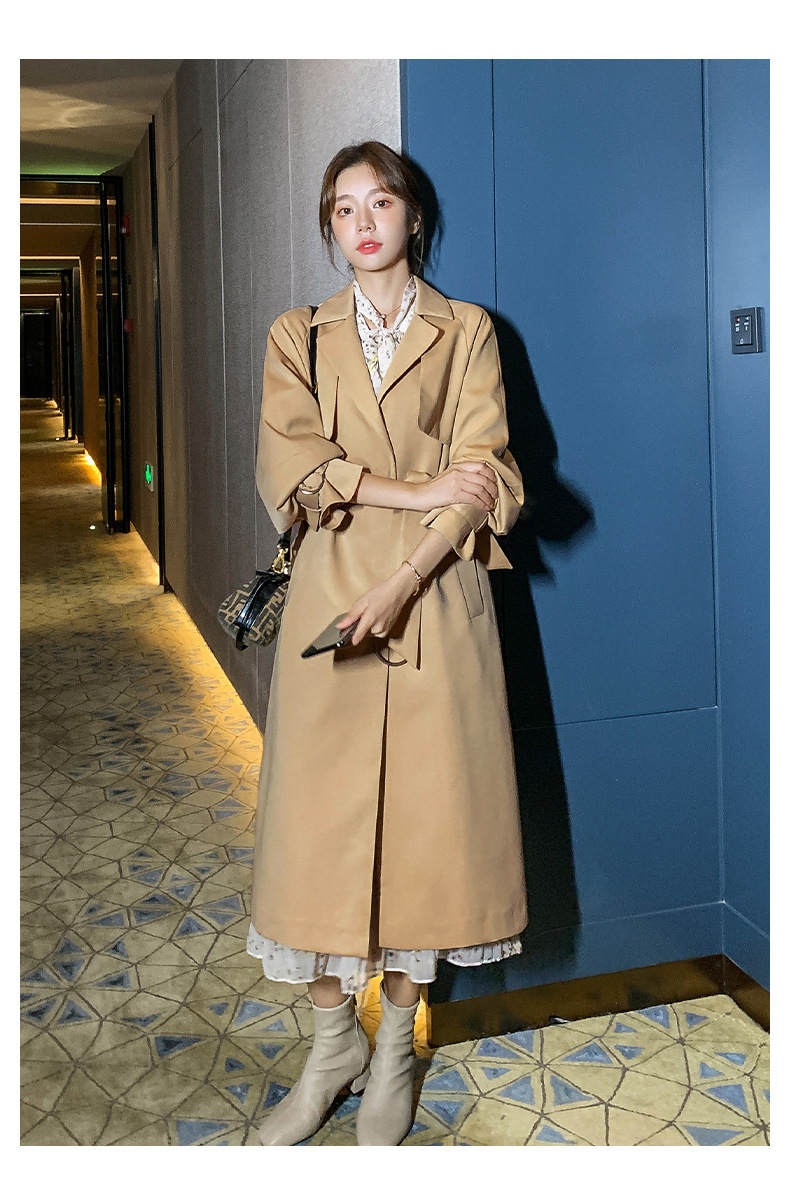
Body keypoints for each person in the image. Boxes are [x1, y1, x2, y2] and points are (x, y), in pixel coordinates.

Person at [248, 140, 528, 1147]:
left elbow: (485, 475)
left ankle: (396, 1050)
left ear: (414, 216)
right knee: (311, 840)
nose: (362, 222)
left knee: (429, 841)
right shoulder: (297, 334)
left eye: (380, 202)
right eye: (342, 207)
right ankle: (332, 1049)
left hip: (436, 604)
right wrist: (415, 489)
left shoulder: (469, 330)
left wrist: (405, 577)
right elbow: (294, 466)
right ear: (329, 227)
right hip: (328, 610)